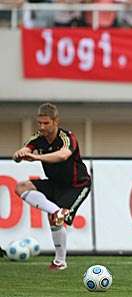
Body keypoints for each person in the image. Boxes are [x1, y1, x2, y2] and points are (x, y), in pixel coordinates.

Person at [13, 103, 91, 271]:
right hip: (55, 183)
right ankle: (55, 211)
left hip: (77, 185)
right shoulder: (37, 138)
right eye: (39, 123)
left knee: (57, 220)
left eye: (46, 123)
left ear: (56, 121)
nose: (42, 127)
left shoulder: (67, 137)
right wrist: (19, 155)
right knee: (21, 187)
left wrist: (37, 158)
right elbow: (23, 150)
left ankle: (60, 261)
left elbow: (63, 155)